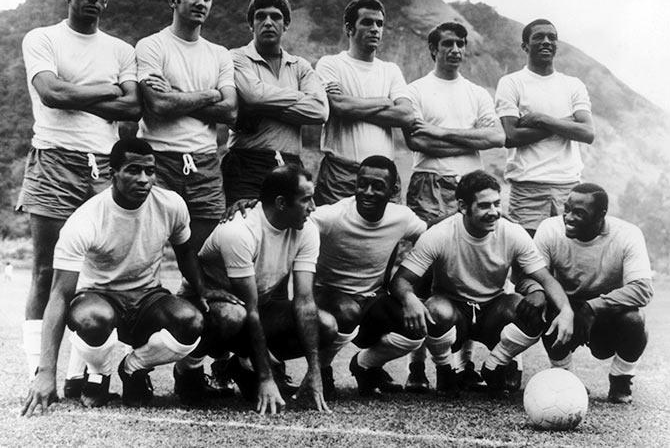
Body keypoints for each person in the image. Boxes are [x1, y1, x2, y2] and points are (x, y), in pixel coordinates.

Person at [21, 138, 235, 416]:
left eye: (150, 171)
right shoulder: (86, 219)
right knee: (92, 318)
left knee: (191, 321)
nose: (144, 179)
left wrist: (203, 290)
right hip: (100, 297)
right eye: (133, 170)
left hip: (148, 297)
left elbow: (185, 253)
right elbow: (60, 295)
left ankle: (133, 367)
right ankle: (98, 373)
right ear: (113, 175)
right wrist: (46, 371)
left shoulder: (171, 204)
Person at [18, 0, 140, 391]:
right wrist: (108, 91)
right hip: (53, 159)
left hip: (101, 165)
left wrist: (78, 94)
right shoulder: (43, 38)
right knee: (45, 270)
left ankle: (88, 370)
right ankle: (39, 369)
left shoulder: (121, 50)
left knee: (97, 273)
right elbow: (51, 94)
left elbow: (132, 108)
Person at [351, 170, 574, 398]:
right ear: (463, 206)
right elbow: (402, 280)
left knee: (533, 311)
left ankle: (495, 366)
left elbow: (546, 279)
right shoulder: (440, 233)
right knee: (434, 310)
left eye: (497, 204)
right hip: (453, 309)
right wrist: (409, 299)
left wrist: (565, 310)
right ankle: (445, 369)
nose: (494, 212)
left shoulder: (512, 232)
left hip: (492, 308)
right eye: (485, 206)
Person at [402, 22, 506, 393]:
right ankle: (417, 366)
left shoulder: (476, 93)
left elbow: (496, 136)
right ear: (433, 50)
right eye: (447, 44)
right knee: (426, 273)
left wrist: (441, 134)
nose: (456, 50)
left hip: (471, 184)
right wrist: (466, 139)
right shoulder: (415, 89)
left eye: (461, 43)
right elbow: (415, 138)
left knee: (467, 272)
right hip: (428, 183)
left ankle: (463, 365)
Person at [192, 164, 336, 413]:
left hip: (254, 308)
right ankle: (187, 370)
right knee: (232, 316)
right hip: (207, 309)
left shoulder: (307, 228)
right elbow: (250, 310)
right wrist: (266, 378)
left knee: (326, 325)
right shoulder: (239, 230)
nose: (313, 208)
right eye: (306, 200)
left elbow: (304, 300)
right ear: (281, 203)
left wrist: (315, 371)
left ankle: (243, 366)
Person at [136, 0, 237, 251]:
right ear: (173, 0)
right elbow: (158, 104)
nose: (201, 2)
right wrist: (210, 94)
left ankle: (195, 295)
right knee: (148, 247)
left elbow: (230, 111)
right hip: (159, 159)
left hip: (204, 162)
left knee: (204, 254)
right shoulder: (152, 46)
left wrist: (176, 97)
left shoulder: (219, 54)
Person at [310, 155, 427, 399]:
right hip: (329, 298)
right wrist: (252, 206)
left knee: (417, 327)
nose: (367, 192)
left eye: (378, 186)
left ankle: (365, 366)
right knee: (348, 310)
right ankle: (321, 371)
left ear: (393, 190)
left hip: (372, 299)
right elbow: (293, 218)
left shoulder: (401, 217)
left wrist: (411, 295)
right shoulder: (333, 216)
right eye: (362, 184)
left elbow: (432, 239)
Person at [534, 183, 653, 403]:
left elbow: (643, 289)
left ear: (601, 215)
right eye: (566, 209)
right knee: (541, 308)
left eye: (579, 213)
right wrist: (564, 308)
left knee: (635, 320)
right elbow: (535, 278)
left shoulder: (627, 234)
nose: (568, 217)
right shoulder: (550, 229)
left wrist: (592, 307)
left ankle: (621, 379)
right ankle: (564, 378)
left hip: (606, 312)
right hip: (565, 307)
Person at [222, 0, 328, 204]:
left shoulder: (300, 66)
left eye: (276, 17)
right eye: (261, 16)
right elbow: (253, 95)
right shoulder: (236, 57)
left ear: (286, 24)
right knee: (245, 227)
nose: (268, 22)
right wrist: (299, 98)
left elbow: (319, 110)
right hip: (246, 162)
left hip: (290, 163)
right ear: (251, 24)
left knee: (291, 231)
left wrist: (261, 105)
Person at [495, 18, 595, 238]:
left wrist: (542, 119)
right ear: (525, 46)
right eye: (538, 37)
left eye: (552, 37)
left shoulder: (573, 85)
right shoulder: (511, 83)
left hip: (568, 187)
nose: (546, 41)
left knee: (567, 256)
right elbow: (511, 135)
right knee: (526, 258)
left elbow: (587, 133)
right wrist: (567, 124)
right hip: (527, 187)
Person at [314, 0, 414, 205]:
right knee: (333, 232)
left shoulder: (390, 70)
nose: (375, 28)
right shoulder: (330, 64)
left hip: (384, 174)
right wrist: (385, 102)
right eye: (367, 22)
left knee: (385, 235)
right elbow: (339, 106)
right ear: (349, 28)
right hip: (341, 174)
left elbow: (405, 114)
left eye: (379, 23)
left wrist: (352, 105)